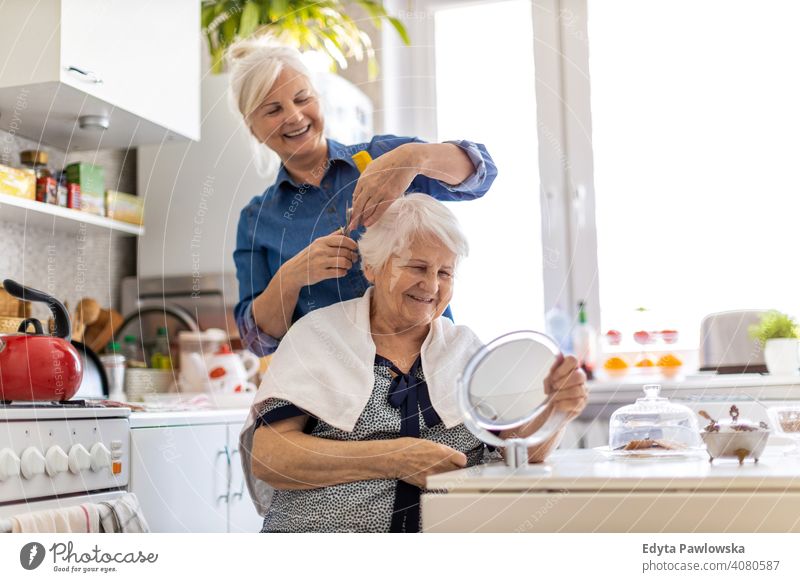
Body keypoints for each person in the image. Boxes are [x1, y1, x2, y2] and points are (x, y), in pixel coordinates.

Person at [239, 195, 588, 533]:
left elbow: (523, 453)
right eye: (417, 267)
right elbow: (271, 456)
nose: (432, 285)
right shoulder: (319, 335)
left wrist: (558, 410)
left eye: (445, 272)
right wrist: (392, 457)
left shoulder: (465, 348)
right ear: (373, 266)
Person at [229, 37, 497, 357]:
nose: (295, 116)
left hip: (429, 373)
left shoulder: (381, 158)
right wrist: (292, 276)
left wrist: (415, 158)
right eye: (273, 109)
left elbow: (482, 175)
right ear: (253, 129)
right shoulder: (257, 220)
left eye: (302, 99)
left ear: (318, 99)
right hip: (333, 392)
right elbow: (258, 341)